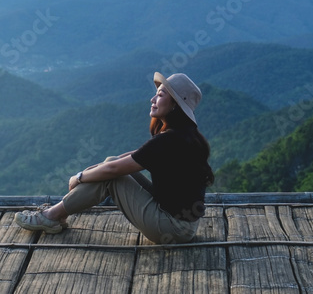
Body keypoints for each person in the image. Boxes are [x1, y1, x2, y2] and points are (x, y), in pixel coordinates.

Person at [14, 72, 214, 244]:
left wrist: (80, 177)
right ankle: (57, 214)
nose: (153, 99)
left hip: (172, 229)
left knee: (113, 177)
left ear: (175, 106)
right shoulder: (184, 136)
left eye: (160, 95)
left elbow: (113, 171)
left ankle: (52, 216)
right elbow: (129, 157)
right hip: (183, 225)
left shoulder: (169, 140)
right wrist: (93, 170)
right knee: (111, 161)